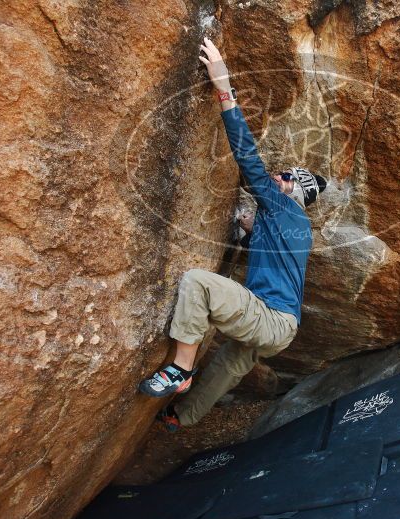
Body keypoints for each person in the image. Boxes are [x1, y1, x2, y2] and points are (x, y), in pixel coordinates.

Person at [137, 37, 327, 432]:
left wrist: (223, 87)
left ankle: (180, 369)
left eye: (288, 177)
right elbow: (270, 254)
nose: (280, 177)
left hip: (270, 317)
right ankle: (180, 417)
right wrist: (248, 231)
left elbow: (249, 161)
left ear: (298, 191)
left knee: (198, 284)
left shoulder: (281, 205)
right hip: (281, 328)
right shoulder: (297, 229)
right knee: (230, 364)